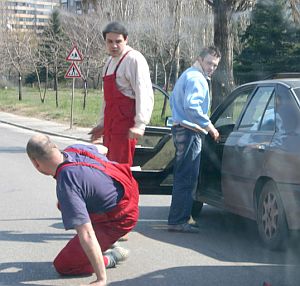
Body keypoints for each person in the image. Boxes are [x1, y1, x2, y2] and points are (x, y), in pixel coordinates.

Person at [26, 134, 139, 286]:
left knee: (64, 265)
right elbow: (103, 149)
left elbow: (86, 233)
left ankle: (112, 256)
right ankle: (105, 242)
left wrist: (101, 279)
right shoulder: (74, 149)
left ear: (36, 163)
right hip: (129, 187)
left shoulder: (67, 183)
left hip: (121, 216)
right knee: (64, 205)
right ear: (54, 147)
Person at [167, 46, 221, 233]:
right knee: (187, 178)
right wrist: (210, 127)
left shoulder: (187, 75)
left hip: (180, 129)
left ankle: (179, 217)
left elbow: (174, 101)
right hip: (189, 132)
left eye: (215, 65)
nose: (211, 68)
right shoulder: (197, 78)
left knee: (182, 176)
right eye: (209, 63)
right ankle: (179, 220)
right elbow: (193, 107)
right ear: (199, 59)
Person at [89, 21, 154, 167]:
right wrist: (101, 125)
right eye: (109, 41)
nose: (114, 46)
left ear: (126, 40)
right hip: (111, 127)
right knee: (108, 167)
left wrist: (140, 124)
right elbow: (107, 100)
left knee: (122, 169)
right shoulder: (108, 63)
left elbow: (143, 91)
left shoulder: (134, 59)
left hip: (125, 127)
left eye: (118, 41)